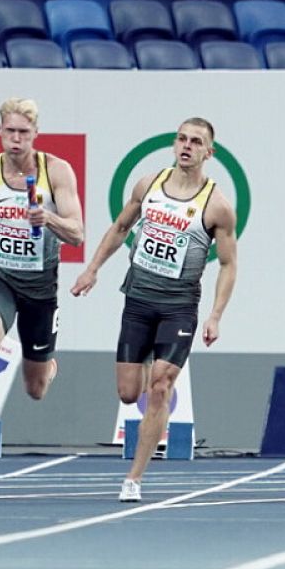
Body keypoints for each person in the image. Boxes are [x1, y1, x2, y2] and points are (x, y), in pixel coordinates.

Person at [72, 118, 239, 503]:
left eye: (196, 142)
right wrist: (92, 269)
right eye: (182, 139)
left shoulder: (217, 205)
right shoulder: (148, 185)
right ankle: (149, 373)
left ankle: (134, 477)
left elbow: (229, 264)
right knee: (130, 393)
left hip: (179, 306)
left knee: (160, 387)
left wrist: (215, 315)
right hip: (138, 299)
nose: (187, 146)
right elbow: (119, 227)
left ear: (208, 152)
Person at [0, 98, 84, 476]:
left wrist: (50, 218)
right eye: (9, 131)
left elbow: (78, 232)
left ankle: (47, 365)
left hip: (41, 286)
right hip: (1, 278)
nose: (16, 139)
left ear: (35, 134)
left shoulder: (56, 172)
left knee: (35, 387)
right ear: (0, 133)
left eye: (24, 132)